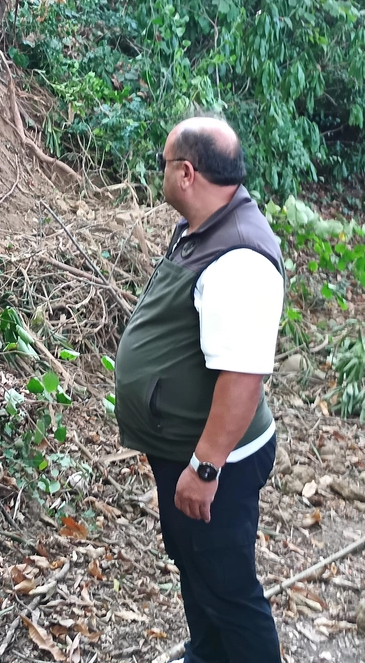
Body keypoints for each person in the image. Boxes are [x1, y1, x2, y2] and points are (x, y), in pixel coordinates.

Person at [115, 116, 284, 663]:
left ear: (186, 173)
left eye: (163, 164)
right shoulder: (206, 225)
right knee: (197, 568)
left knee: (229, 586)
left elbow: (243, 378)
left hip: (218, 462)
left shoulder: (239, 258)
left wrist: (206, 468)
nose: (160, 174)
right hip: (184, 446)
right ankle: (207, 654)